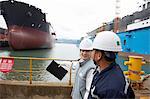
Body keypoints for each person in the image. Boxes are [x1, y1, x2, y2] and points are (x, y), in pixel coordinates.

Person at [88, 31, 135, 99]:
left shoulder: (111, 88)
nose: (91, 53)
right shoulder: (106, 70)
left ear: (99, 55)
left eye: (93, 50)